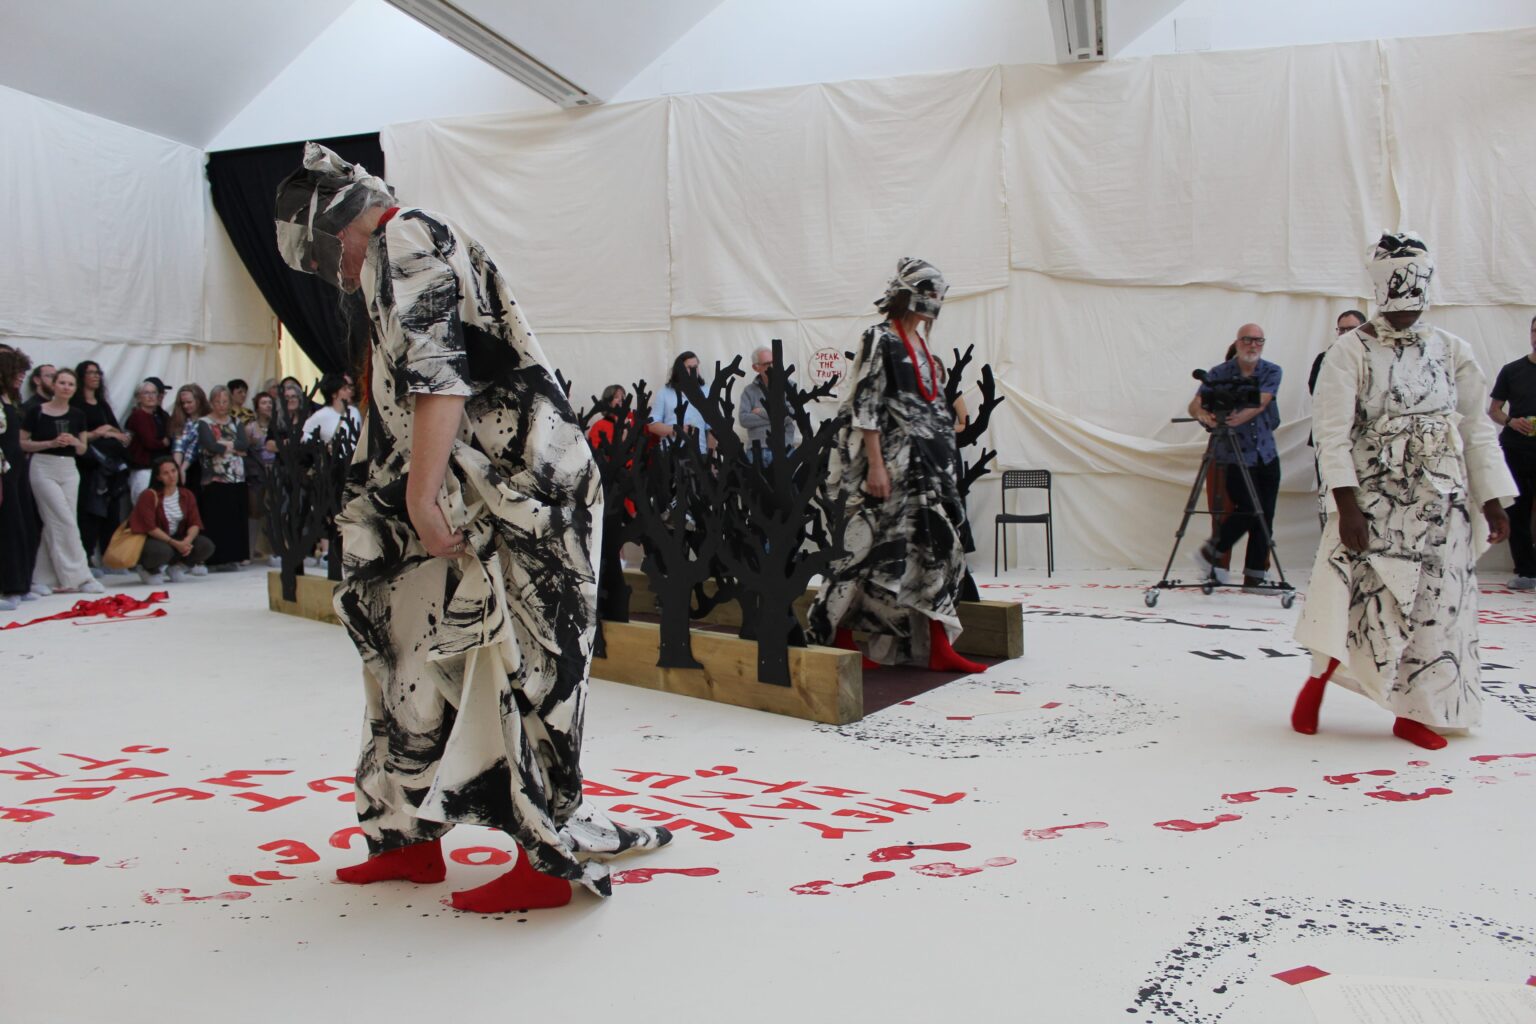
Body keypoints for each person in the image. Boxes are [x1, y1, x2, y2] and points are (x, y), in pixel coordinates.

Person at [274, 142, 669, 912]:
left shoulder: (406, 238)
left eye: (327, 258)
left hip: (517, 495)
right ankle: (404, 837)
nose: (334, 274)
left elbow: (438, 377)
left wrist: (421, 497)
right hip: (467, 497)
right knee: (404, 653)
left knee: (532, 668)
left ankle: (545, 858)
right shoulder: (401, 246)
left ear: (338, 230)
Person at [1293, 232, 1514, 751]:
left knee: (1439, 606)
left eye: (1415, 310)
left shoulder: (1451, 350)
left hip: (1442, 501)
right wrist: (1345, 505)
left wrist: (1492, 499)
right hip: (1374, 500)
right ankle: (1317, 682)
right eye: (1398, 311)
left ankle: (1417, 711)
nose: (1406, 319)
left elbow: (1477, 430)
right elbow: (1332, 433)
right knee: (1358, 598)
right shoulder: (1349, 352)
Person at [805, 257, 986, 675]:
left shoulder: (924, 347)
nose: (938, 302)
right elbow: (866, 402)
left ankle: (938, 645)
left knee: (935, 551)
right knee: (865, 552)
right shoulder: (879, 338)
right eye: (933, 293)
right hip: (891, 466)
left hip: (927, 470)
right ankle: (838, 638)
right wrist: (875, 466)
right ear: (914, 295)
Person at [1189, 324, 1283, 593]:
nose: (1253, 345)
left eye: (1258, 340)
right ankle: (1213, 553)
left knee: (1265, 514)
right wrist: (1204, 416)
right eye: (1247, 340)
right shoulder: (1219, 374)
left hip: (1265, 452)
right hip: (1232, 453)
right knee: (1246, 508)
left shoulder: (1271, 371)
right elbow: (1195, 405)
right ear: (1238, 342)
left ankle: (1254, 576)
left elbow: (1263, 402)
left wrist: (1235, 418)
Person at [20, 368, 102, 595]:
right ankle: (80, 576)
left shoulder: (77, 415)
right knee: (63, 520)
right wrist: (49, 443)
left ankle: (42, 577)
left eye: (71, 384)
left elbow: (83, 447)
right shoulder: (36, 411)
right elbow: (23, 442)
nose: (66, 387)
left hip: (68, 469)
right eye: (62, 383)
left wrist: (74, 441)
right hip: (43, 466)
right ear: (54, 385)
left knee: (57, 521)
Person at [1487, 313, 1536, 590]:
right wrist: (1510, 421)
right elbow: (1494, 409)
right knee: (1517, 510)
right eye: (1534, 330)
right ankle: (1526, 571)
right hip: (1517, 450)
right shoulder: (1512, 370)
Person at [71, 360, 133, 572]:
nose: (96, 376)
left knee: (112, 511)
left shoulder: (102, 404)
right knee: (90, 512)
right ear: (82, 377)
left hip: (110, 467)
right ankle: (87, 558)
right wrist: (99, 433)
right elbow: (76, 435)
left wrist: (119, 436)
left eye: (98, 373)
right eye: (90, 373)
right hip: (90, 466)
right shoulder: (76, 405)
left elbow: (115, 429)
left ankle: (110, 557)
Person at [128, 456, 214, 583]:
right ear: (158, 477)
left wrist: (187, 541)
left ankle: (177, 566)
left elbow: (195, 523)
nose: (172, 476)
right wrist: (175, 543)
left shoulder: (186, 494)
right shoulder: (149, 495)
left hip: (178, 538)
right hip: (155, 541)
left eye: (174, 471)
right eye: (165, 473)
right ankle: (148, 568)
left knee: (205, 545)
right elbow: (150, 528)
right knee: (161, 551)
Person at [0, 346, 41, 608]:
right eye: (17, 371)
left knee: (25, 524)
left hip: (17, 471)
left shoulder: (10, 399)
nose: (21, 376)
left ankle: (21, 582)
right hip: (3, 471)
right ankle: (8, 587)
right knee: (8, 528)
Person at [196, 385, 250, 570]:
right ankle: (214, 558)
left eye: (225, 401)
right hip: (215, 476)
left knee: (235, 517)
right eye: (218, 401)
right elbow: (210, 445)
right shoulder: (204, 422)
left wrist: (224, 445)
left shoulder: (236, 421)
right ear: (211, 403)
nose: (222, 405)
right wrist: (233, 447)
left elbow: (245, 444)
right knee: (216, 517)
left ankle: (234, 557)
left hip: (236, 477)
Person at [738, 346, 799, 465]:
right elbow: (744, 420)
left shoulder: (789, 386)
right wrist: (776, 416)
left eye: (773, 362)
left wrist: (760, 411)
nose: (771, 367)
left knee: (785, 483)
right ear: (756, 367)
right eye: (766, 364)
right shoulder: (749, 391)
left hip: (783, 447)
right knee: (755, 483)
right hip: (756, 449)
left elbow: (790, 416)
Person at [649, 352, 714, 453]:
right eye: (689, 367)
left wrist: (711, 461)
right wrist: (675, 430)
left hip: (699, 455)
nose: (693, 371)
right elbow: (652, 425)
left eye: (695, 367)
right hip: (670, 453)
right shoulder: (664, 392)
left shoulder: (706, 391)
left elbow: (712, 430)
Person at [245, 392, 279, 563]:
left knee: (275, 512)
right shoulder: (250, 428)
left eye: (270, 402)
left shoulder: (279, 425)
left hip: (277, 472)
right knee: (255, 511)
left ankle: (275, 551)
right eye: (264, 403)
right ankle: (249, 550)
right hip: (257, 475)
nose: (267, 406)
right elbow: (245, 451)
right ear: (257, 406)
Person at [125, 379, 171, 502]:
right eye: (146, 393)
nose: (150, 396)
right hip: (143, 469)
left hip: (157, 468)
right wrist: (163, 442)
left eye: (153, 393)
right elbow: (149, 442)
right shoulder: (139, 415)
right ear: (139, 397)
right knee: (144, 506)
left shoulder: (159, 416)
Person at [169, 384, 210, 497]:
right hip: (184, 467)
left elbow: (195, 446)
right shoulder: (179, 420)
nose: (186, 406)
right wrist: (177, 469)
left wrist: (183, 468)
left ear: (199, 400)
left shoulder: (207, 420)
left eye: (189, 402)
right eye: (183, 403)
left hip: (201, 466)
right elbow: (178, 445)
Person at [301, 372, 361, 442]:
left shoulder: (354, 411)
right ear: (334, 394)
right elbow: (303, 433)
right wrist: (321, 445)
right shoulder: (322, 414)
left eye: (348, 388)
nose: (349, 391)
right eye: (344, 389)